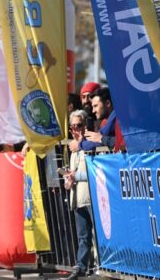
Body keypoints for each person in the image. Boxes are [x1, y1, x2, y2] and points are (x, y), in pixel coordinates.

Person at [62, 110, 94, 279]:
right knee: (83, 236)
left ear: (85, 126)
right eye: (72, 126)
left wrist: (77, 176)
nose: (75, 129)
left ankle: (97, 266)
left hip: (91, 197)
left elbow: (94, 171)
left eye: (79, 125)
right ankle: (81, 266)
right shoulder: (72, 149)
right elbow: (73, 172)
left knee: (96, 236)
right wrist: (68, 180)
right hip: (77, 198)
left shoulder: (90, 145)